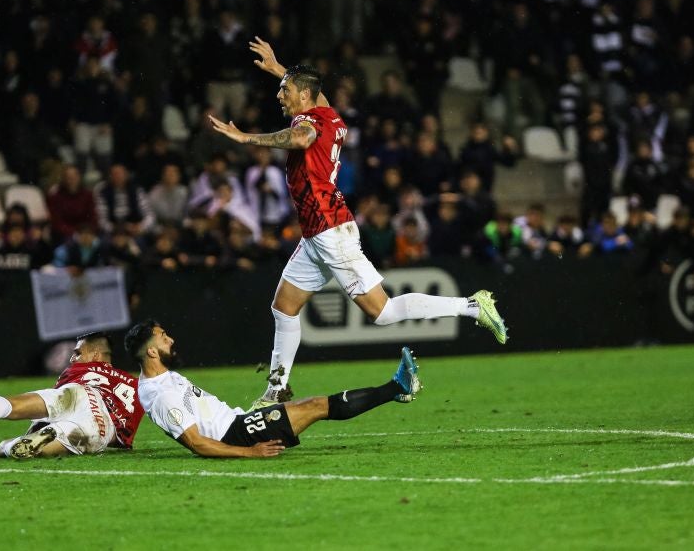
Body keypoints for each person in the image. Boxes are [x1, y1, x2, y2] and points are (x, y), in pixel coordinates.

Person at [209, 38, 507, 407]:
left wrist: (245, 137)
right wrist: (280, 70)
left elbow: (300, 138)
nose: (279, 95)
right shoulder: (328, 114)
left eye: (285, 90)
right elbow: (313, 93)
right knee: (284, 306)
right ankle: (276, 390)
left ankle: (473, 306)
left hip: (330, 231)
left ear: (303, 95)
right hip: (316, 234)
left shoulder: (310, 124)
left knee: (382, 312)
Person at [128, 319, 420, 458]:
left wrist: (249, 413)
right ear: (151, 352)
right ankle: (397, 387)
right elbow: (196, 443)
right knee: (317, 406)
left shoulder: (164, 378)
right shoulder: (161, 395)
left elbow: (203, 413)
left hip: (239, 423)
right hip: (236, 436)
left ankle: (395, 388)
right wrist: (250, 452)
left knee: (314, 404)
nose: (171, 340)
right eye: (163, 337)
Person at [0, 332, 143, 459]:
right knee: (56, 441)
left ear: (95, 355)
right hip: (102, 425)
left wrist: (34, 426)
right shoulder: (135, 385)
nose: (72, 358)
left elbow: (47, 407)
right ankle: (49, 435)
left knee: (14, 410)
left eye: (77, 353)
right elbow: (127, 433)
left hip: (78, 393)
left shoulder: (79, 370)